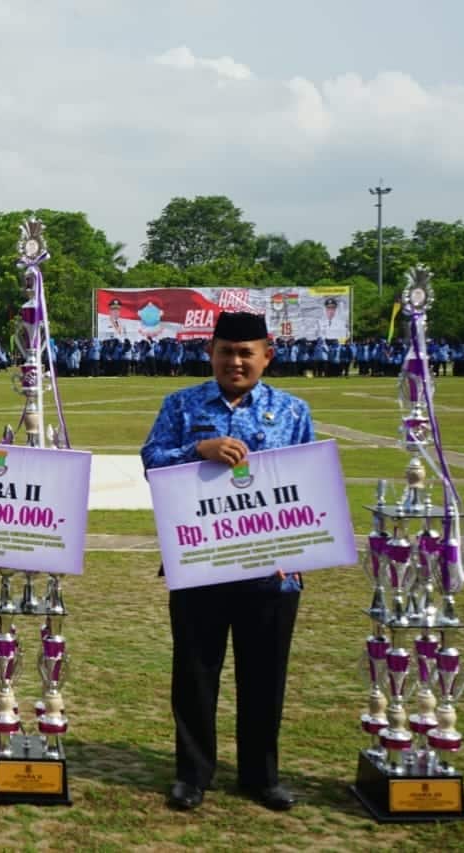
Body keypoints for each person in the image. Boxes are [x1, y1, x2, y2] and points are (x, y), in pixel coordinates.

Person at [140, 311, 313, 813]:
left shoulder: (292, 411)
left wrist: (295, 552)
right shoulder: (182, 405)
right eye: (225, 352)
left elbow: (308, 482)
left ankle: (261, 776)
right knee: (195, 674)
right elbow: (151, 461)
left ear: (266, 356)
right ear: (210, 353)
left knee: (264, 677)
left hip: (271, 572)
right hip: (200, 563)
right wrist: (199, 449)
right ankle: (192, 774)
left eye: (246, 353)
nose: (235, 361)